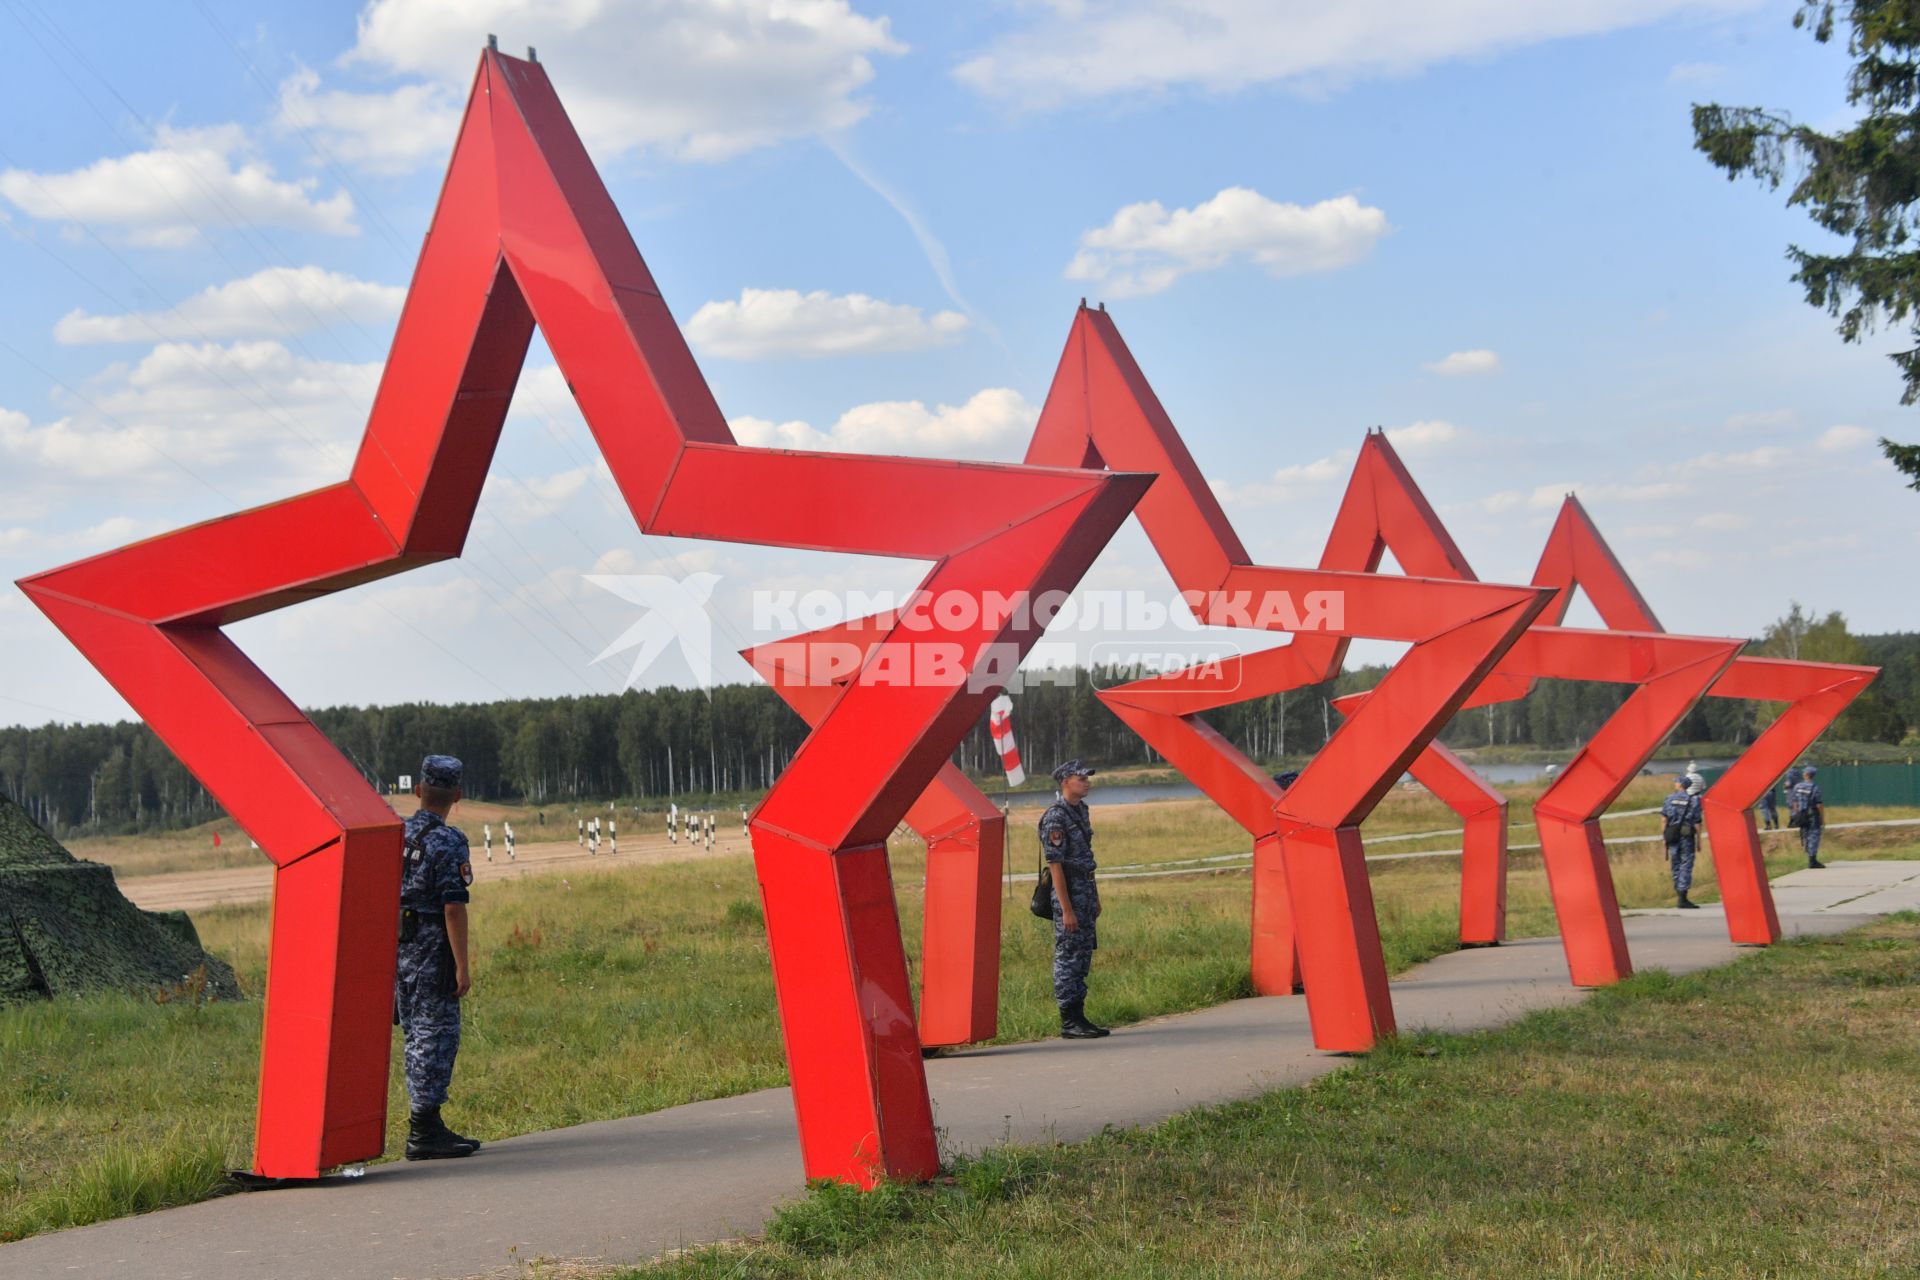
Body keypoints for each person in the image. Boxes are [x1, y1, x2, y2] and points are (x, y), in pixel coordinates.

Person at [396, 754, 480, 1160]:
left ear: (418, 790)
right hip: (432, 945)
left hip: (399, 946)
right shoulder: (448, 841)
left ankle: (425, 1123)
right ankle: (424, 1129)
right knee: (437, 1033)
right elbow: (452, 906)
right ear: (457, 796)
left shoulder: (395, 833)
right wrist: (462, 964)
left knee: (414, 1031)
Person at [1041, 759, 1107, 1040]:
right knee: (1068, 956)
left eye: (1087, 778)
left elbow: (1086, 859)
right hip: (1068, 894)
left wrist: (1095, 897)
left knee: (1082, 956)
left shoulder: (1081, 811)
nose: (1087, 782)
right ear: (1066, 781)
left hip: (1086, 891)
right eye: (1081, 778)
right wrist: (1067, 910)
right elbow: (1056, 866)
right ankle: (1069, 1020)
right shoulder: (1056, 818)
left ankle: (1079, 1016)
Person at [1660, 774, 1703, 909]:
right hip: (1686, 836)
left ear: (1680, 785)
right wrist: (1699, 841)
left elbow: (1663, 819)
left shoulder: (1669, 799)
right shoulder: (1694, 801)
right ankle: (1682, 897)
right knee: (1686, 863)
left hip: (1672, 835)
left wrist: (1664, 837)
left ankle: (1678, 890)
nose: (1675, 784)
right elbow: (1697, 822)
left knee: (1676, 863)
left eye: (1676, 782)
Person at [1790, 764, 1826, 869]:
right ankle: (1812, 860)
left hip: (1801, 814)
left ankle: (1809, 856)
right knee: (1814, 836)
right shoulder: (1815, 787)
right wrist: (1822, 819)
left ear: (1805, 774)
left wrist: (1797, 814)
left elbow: (1794, 802)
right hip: (1812, 815)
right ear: (1813, 775)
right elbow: (1819, 804)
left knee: (1805, 835)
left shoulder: (1797, 786)